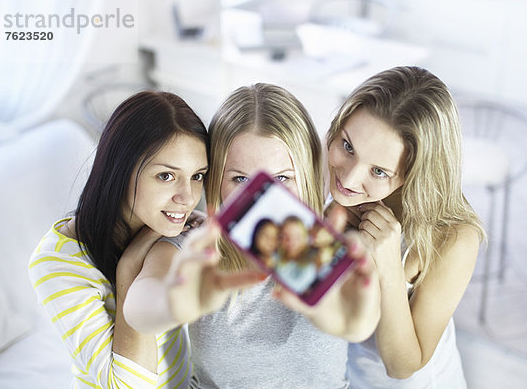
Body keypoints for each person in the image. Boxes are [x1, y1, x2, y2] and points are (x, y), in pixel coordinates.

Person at [124, 83, 381, 388]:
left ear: (308, 177)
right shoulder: (194, 248)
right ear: (216, 181)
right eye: (240, 179)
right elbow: (139, 308)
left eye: (282, 178)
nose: (263, 198)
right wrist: (177, 302)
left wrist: (346, 316)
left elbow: (358, 322)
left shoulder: (333, 245)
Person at [28, 91, 216, 388]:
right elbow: (129, 385)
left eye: (197, 176)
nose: (188, 198)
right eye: (166, 176)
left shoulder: (165, 227)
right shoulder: (57, 263)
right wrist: (130, 268)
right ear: (120, 170)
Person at [325, 66, 486, 388]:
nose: (349, 178)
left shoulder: (453, 236)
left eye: (380, 171)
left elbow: (402, 366)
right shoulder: (339, 194)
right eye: (348, 146)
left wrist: (387, 266)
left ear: (416, 172)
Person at [275, 215, 317, 294]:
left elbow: (296, 288)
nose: (291, 241)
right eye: (285, 236)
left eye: (297, 236)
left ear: (305, 238)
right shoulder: (275, 257)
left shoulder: (310, 266)